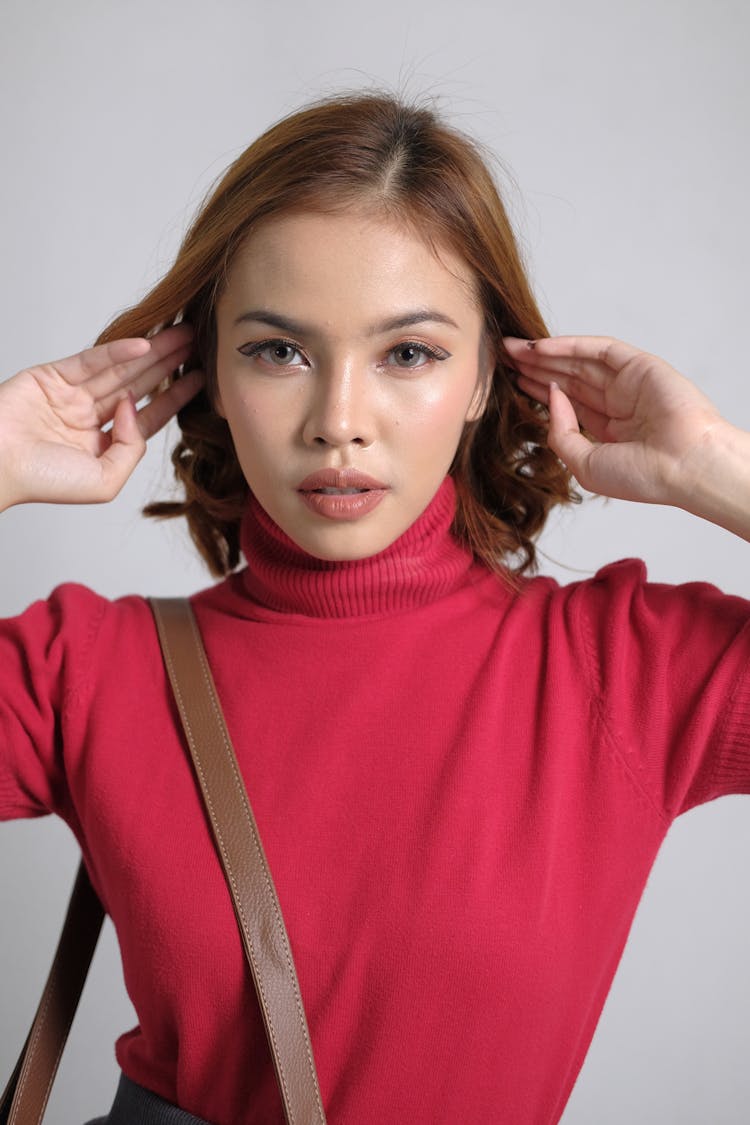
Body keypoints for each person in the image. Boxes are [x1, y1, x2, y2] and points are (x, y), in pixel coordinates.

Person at [1, 89, 749, 1125]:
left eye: (409, 353)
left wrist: (719, 469)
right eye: (279, 351)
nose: (339, 421)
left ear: (491, 374)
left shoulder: (624, 669)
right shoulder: (82, 670)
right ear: (207, 371)